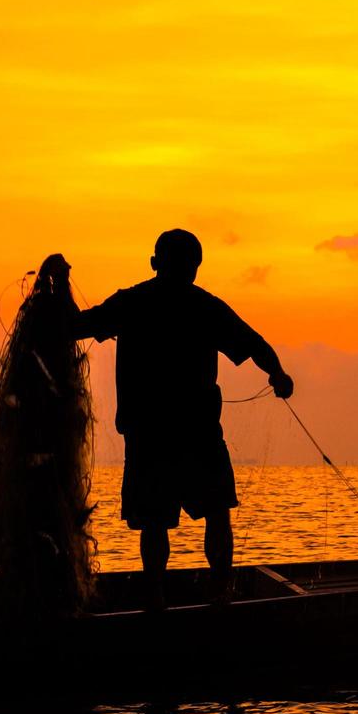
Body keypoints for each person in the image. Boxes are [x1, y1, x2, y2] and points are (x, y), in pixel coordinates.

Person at [71, 229, 294, 608]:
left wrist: (52, 297)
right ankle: (220, 595)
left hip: (150, 436)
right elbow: (255, 344)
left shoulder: (132, 303)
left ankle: (156, 599)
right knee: (216, 513)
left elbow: (78, 326)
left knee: (154, 521)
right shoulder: (205, 307)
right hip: (197, 435)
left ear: (155, 263)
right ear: (195, 268)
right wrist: (278, 375)